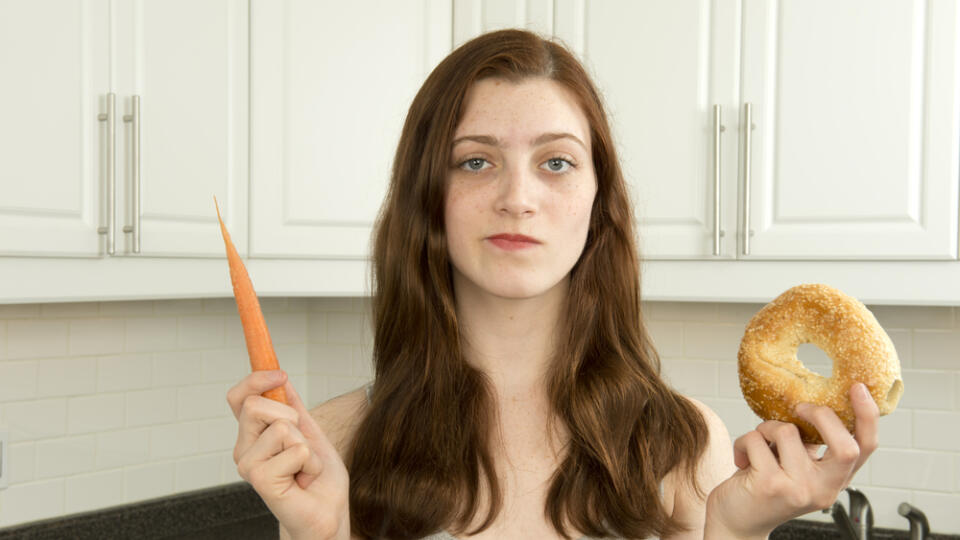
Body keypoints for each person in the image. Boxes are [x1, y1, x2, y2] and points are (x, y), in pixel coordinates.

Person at [226, 29, 879, 540]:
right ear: (428, 198)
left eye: (556, 162)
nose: (517, 197)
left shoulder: (678, 441)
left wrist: (736, 532)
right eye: (476, 160)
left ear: (600, 200)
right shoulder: (339, 441)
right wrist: (316, 534)